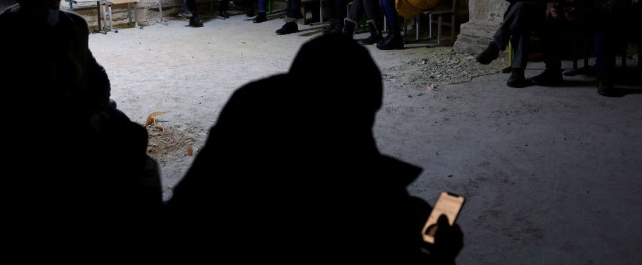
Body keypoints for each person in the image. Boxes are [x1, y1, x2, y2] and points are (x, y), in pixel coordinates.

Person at [164, 34, 464, 262]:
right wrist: (435, 240)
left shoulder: (255, 100)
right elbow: (355, 197)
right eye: (367, 112)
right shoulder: (332, 150)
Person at [0, 0, 163, 264]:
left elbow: (94, 74)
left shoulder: (71, 28)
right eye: (44, 2)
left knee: (132, 136)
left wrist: (96, 107)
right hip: (31, 123)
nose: (50, 9)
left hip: (79, 110)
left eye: (54, 2)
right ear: (26, 3)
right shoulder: (5, 33)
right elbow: (10, 93)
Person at [532, 0, 632, 96]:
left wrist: (584, 13)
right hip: (571, 18)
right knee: (548, 22)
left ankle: (605, 77)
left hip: (598, 18)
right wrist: (554, 9)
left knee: (605, 25)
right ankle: (552, 71)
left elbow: (616, 5)